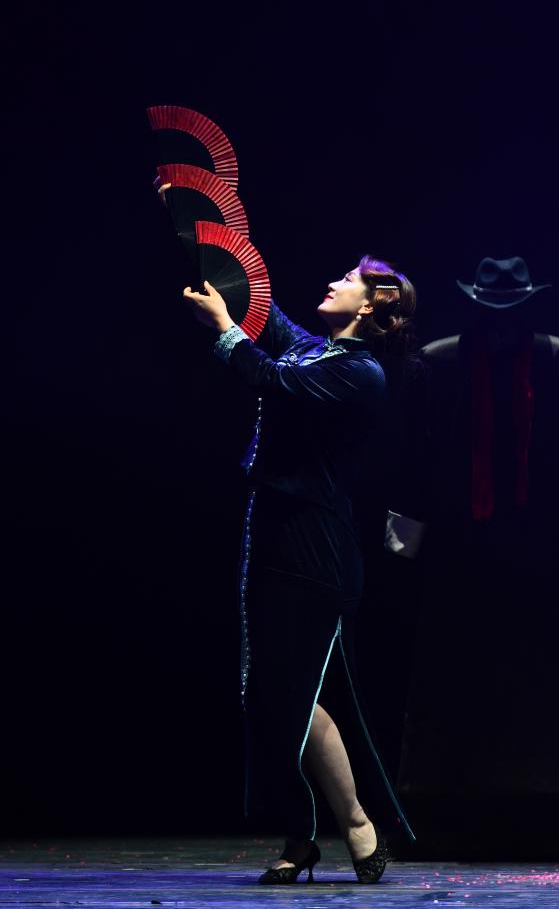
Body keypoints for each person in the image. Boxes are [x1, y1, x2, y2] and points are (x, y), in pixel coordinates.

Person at [184, 255, 416, 883]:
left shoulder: (360, 373)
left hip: (314, 544)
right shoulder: (315, 349)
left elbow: (268, 378)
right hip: (275, 533)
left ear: (369, 305)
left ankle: (354, 824)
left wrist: (223, 327)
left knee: (289, 692)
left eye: (350, 280)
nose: (335, 281)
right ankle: (305, 831)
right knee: (271, 693)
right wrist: (218, 245)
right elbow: (268, 316)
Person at [386, 256, 559, 859]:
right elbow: (415, 457)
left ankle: (548, 808)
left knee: (540, 677)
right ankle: (439, 811)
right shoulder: (437, 363)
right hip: (460, 545)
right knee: (453, 674)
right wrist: (406, 538)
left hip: (538, 545)